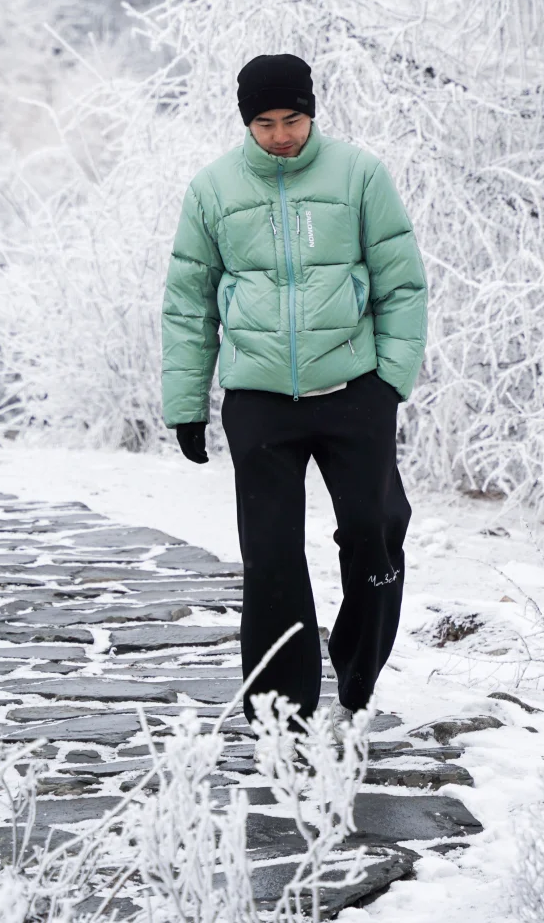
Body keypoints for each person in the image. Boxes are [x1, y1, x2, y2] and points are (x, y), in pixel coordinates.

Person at [161, 52, 428, 734]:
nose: (282, 135)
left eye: (294, 119)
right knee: (272, 554)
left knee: (375, 534)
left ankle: (358, 676)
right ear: (247, 122)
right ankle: (283, 711)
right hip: (260, 401)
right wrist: (187, 404)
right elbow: (189, 304)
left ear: (313, 112)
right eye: (266, 123)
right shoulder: (212, 190)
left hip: (352, 392)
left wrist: (389, 383)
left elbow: (402, 284)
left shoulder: (360, 176)